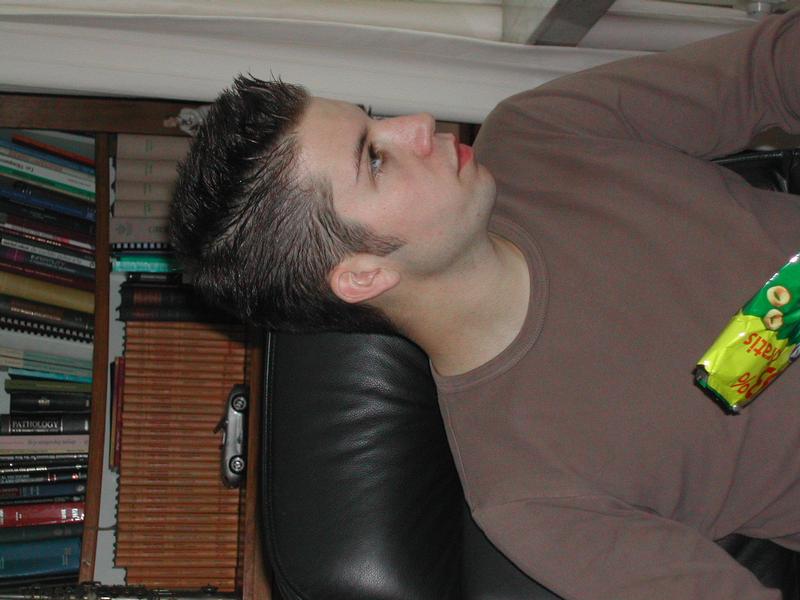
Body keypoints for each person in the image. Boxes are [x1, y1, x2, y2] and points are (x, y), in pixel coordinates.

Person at [170, 9, 800, 600]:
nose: (417, 123)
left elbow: (768, 67)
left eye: (373, 119)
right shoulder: (534, 499)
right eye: (375, 157)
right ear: (362, 275)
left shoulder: (539, 132)